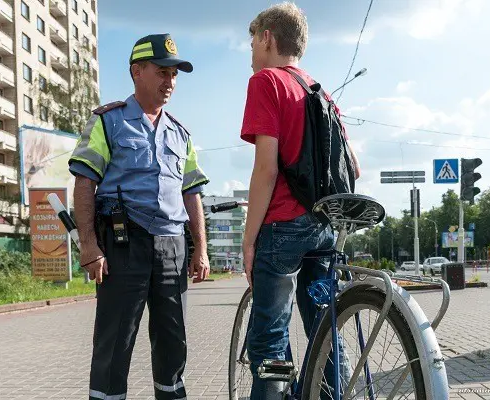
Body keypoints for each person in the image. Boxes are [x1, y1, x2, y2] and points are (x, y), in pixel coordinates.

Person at [68, 33, 210, 400]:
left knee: (172, 339)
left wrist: (201, 250)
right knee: (115, 342)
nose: (170, 82)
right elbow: (84, 182)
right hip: (122, 245)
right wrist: (88, 245)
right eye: (163, 72)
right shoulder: (108, 122)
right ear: (137, 71)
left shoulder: (181, 134)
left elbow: (191, 192)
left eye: (175, 75)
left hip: (171, 247)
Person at [239, 3, 361, 398]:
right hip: (323, 231)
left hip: (282, 233)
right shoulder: (318, 90)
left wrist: (248, 239)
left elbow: (266, 170)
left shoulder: (267, 82)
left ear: (267, 37)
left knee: (271, 341)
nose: (252, 54)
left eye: (253, 43)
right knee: (324, 329)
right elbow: (352, 166)